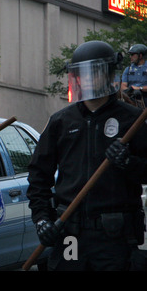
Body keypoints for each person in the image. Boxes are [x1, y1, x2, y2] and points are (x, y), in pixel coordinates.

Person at [27, 40, 147, 271]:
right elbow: (38, 176)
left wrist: (128, 162)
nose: (89, 78)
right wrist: (42, 219)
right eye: (83, 73)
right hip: (69, 233)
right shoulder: (61, 121)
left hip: (113, 237)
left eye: (96, 71)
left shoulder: (132, 119)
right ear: (76, 78)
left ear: (108, 73)